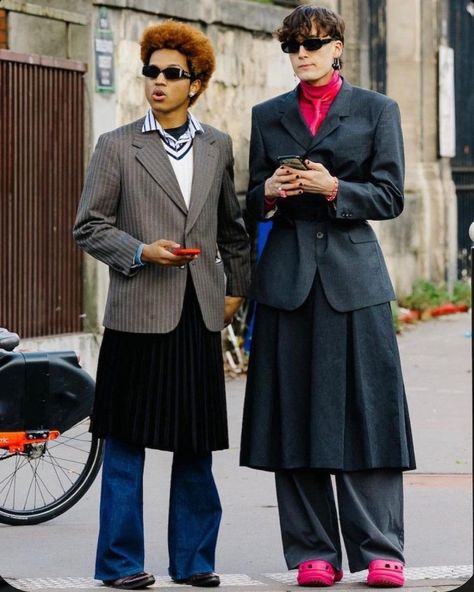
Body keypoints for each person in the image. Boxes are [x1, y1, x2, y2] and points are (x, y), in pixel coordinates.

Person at [240, 5, 415, 589]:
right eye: (293, 47)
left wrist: (335, 187)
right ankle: (312, 550)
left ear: (338, 45)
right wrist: (268, 191)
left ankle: (380, 548)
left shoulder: (376, 110)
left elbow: (391, 195)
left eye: (313, 44)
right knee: (295, 413)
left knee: (369, 411)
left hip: (355, 279)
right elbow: (246, 203)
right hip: (288, 281)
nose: (302, 54)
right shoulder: (268, 117)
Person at [74, 21, 250, 590]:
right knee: (124, 444)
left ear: (195, 84)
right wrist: (140, 251)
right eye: (152, 70)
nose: (158, 81)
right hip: (136, 314)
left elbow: (234, 229)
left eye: (172, 73)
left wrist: (234, 292)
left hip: (199, 315)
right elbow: (89, 227)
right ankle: (121, 564)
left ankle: (195, 560)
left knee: (195, 445)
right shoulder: (117, 145)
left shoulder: (218, 145)